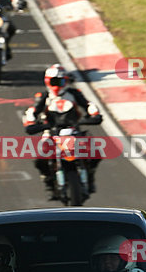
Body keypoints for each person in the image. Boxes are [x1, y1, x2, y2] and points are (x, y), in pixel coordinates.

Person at [22, 64, 103, 198]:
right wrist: (31, 123)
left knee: (95, 151)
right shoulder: (43, 97)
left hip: (73, 131)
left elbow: (89, 105)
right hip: (51, 132)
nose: (58, 85)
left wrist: (94, 115)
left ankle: (90, 174)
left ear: (66, 80)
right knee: (40, 158)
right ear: (48, 81)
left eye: (61, 81)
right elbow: (32, 111)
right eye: (55, 82)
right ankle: (48, 180)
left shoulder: (74, 94)